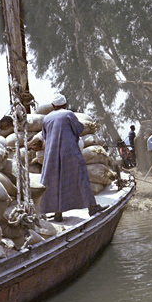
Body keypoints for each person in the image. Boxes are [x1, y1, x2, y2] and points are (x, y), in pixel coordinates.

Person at [40, 94, 103, 222]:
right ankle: (92, 207)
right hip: (69, 152)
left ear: (53, 106)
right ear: (65, 104)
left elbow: (45, 137)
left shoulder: (46, 118)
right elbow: (78, 129)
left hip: (51, 154)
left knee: (53, 181)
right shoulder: (68, 114)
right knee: (81, 176)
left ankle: (57, 213)